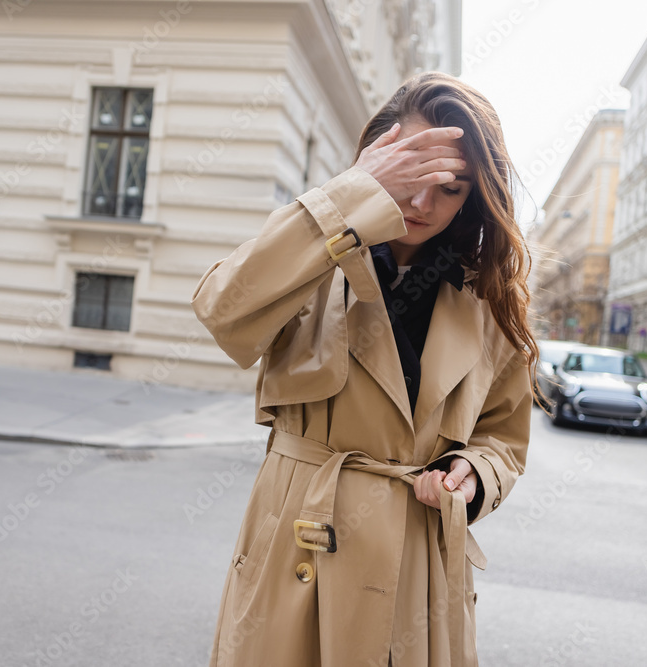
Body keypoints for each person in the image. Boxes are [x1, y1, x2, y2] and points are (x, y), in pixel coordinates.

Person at [191, 71, 538, 667]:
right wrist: (348, 200)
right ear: (375, 160)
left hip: (417, 568)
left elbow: (502, 437)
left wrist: (473, 473)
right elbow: (224, 312)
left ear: (474, 197)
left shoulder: (488, 299)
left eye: (451, 188)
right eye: (410, 175)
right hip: (299, 546)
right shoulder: (310, 252)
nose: (423, 204)